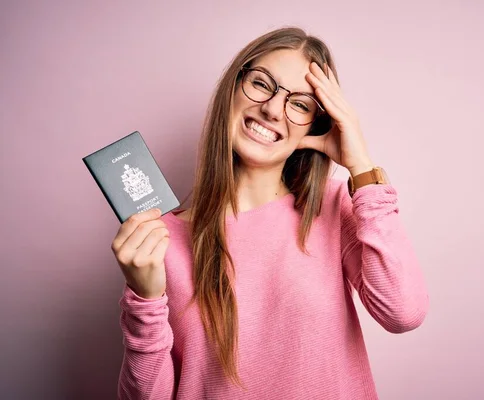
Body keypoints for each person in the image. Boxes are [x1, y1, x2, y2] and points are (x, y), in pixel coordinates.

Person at [111, 26, 429, 399]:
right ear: (233, 88)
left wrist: (361, 166)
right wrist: (143, 298)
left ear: (317, 126)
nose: (273, 110)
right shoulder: (158, 239)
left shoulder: (330, 206)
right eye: (262, 84)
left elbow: (403, 314)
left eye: (300, 105)